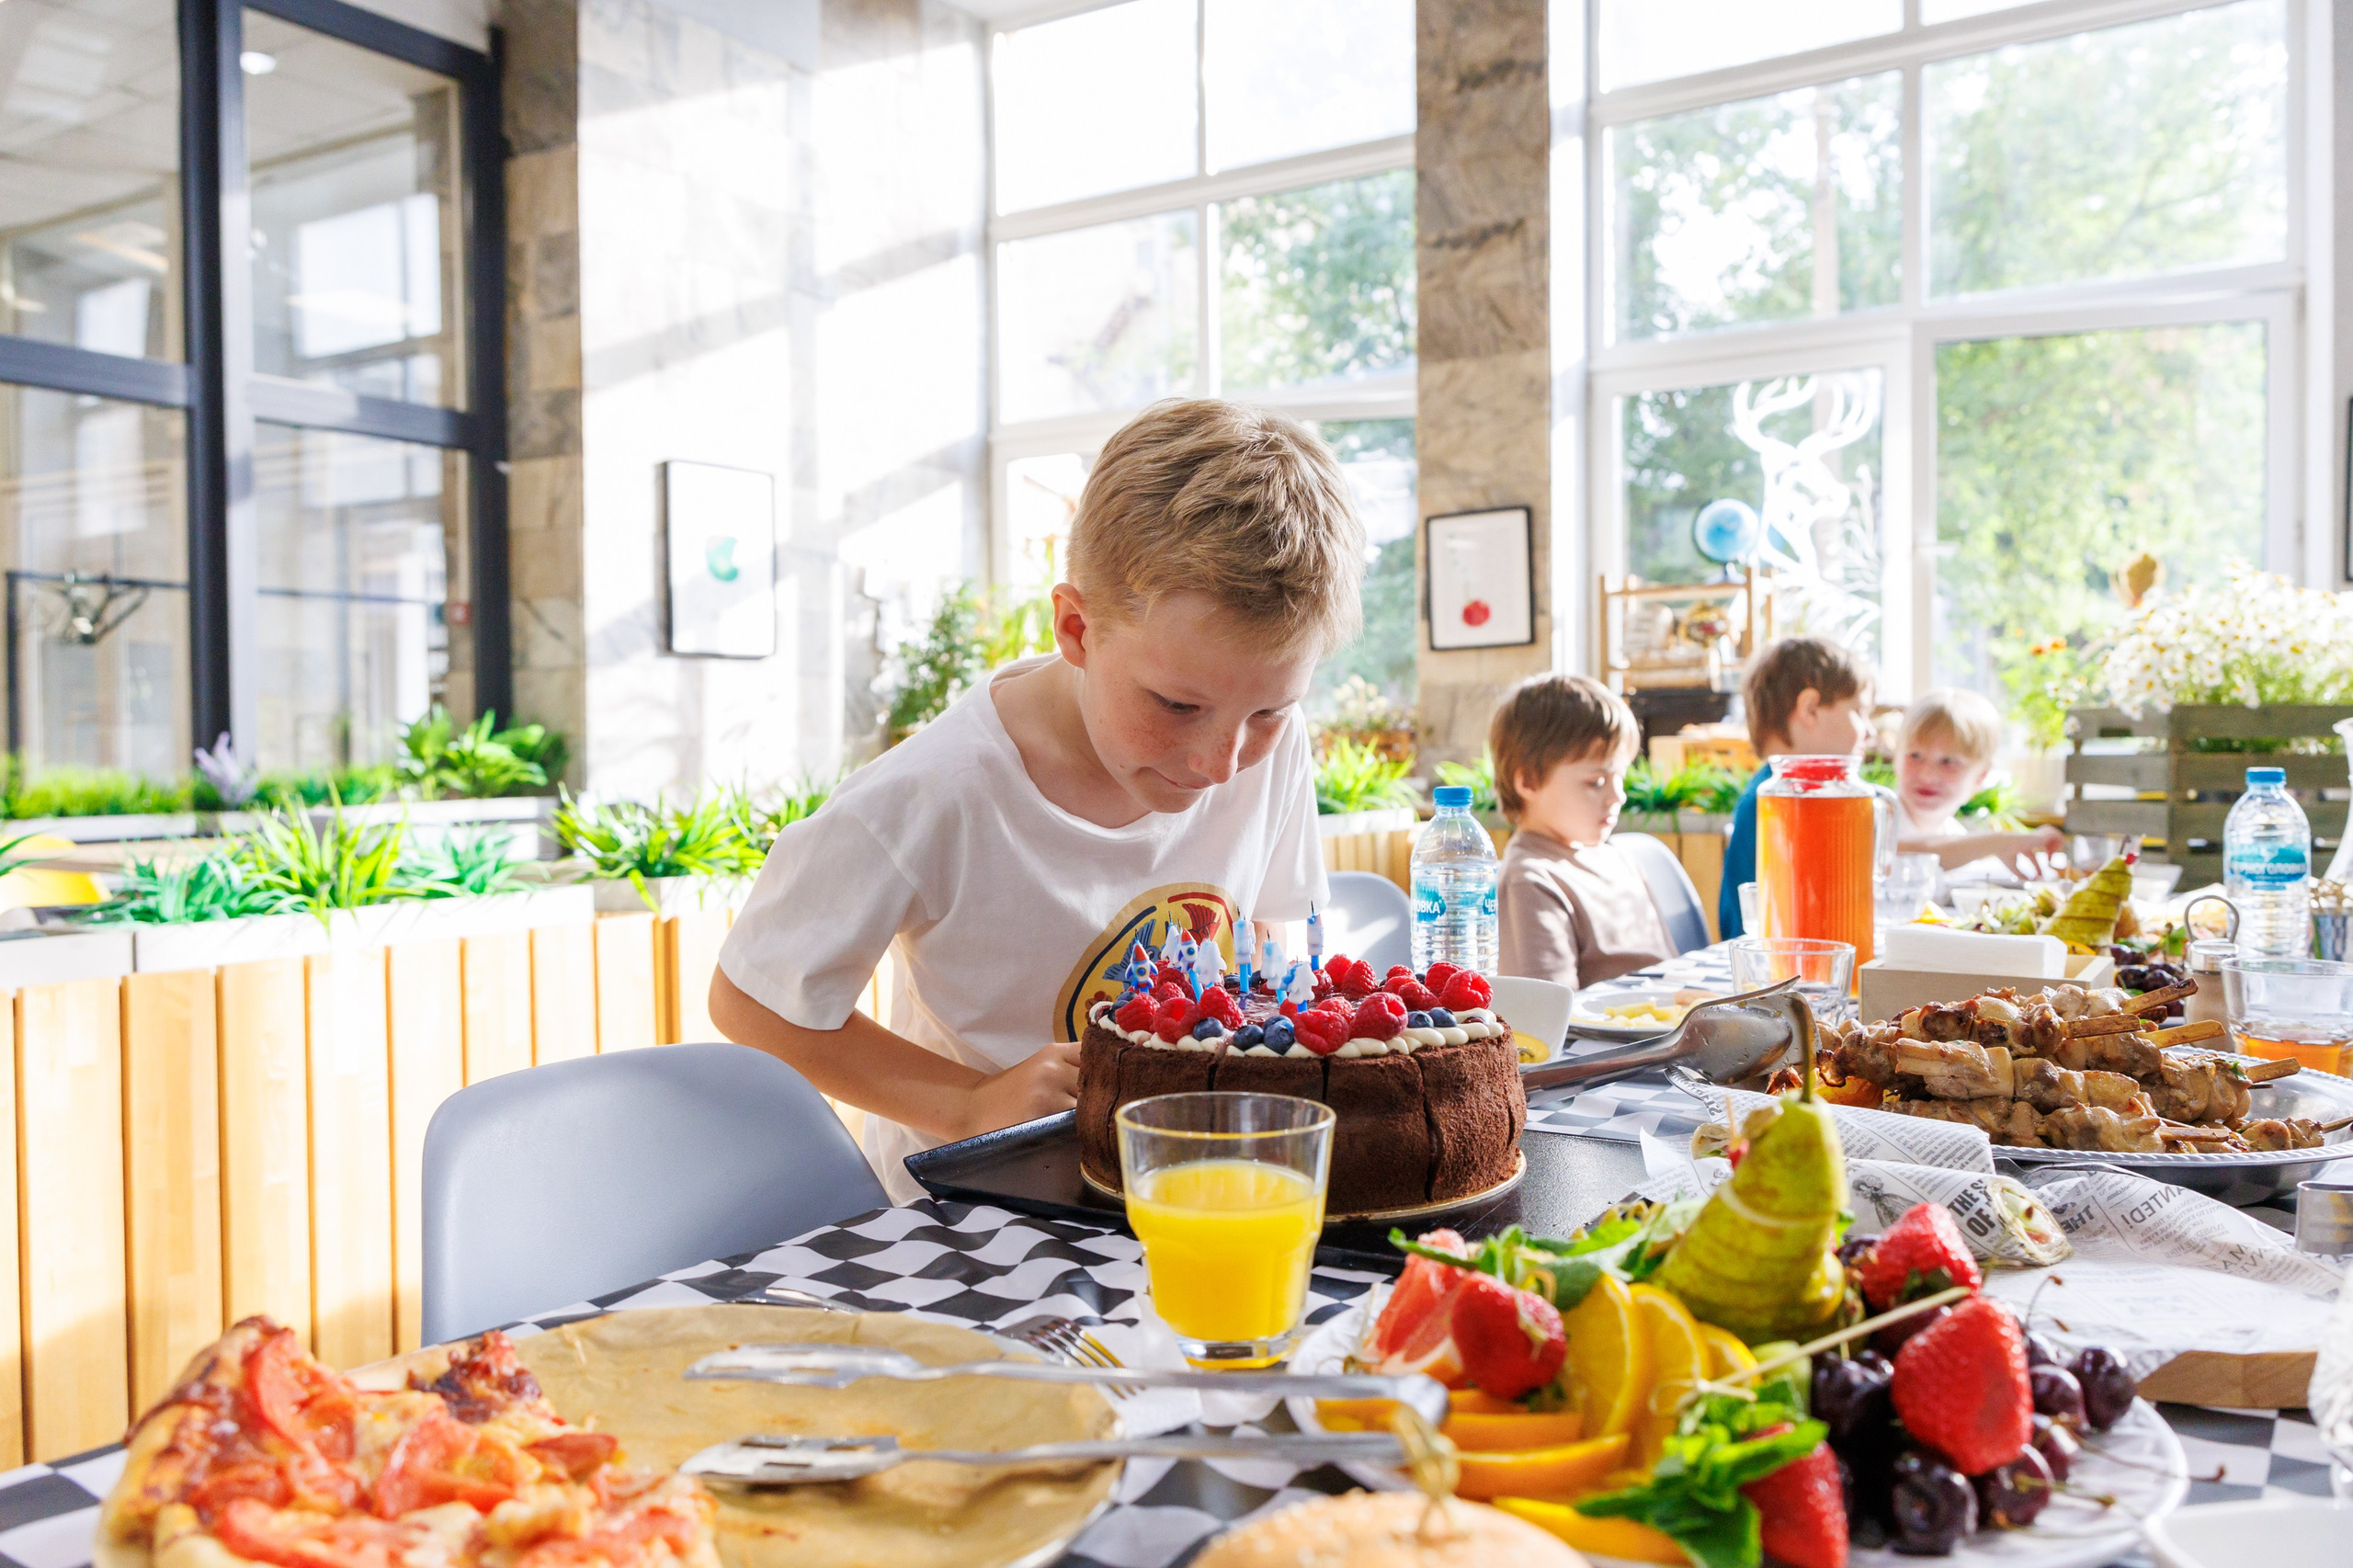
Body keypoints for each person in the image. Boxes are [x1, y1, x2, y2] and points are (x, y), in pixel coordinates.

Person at [709, 400, 1361, 1201]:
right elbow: (750, 1000)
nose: (1220, 762)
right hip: (972, 1227)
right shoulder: (932, 792)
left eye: (1268, 712)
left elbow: (1268, 931)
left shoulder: (1269, 746)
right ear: (1077, 628)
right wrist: (968, 1101)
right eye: (1176, 707)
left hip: (1175, 1189)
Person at [1490, 673, 1676, 989]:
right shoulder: (1531, 880)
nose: (1619, 796)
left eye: (1620, 777)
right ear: (1529, 782)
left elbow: (1669, 969)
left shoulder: (1619, 859)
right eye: (1597, 782)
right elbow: (1552, 1012)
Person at [1719, 636, 1877, 939]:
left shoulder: (1808, 794)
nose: (1869, 731)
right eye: (1860, 712)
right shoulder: (1779, 802)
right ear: (1811, 709)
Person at [1893, 687, 2064, 872]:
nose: (1927, 775)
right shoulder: (1876, 816)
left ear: (1980, 776)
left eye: (1949, 762)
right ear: (1896, 759)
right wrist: (1996, 842)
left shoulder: (1953, 833)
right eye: (1915, 756)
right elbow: (1900, 852)